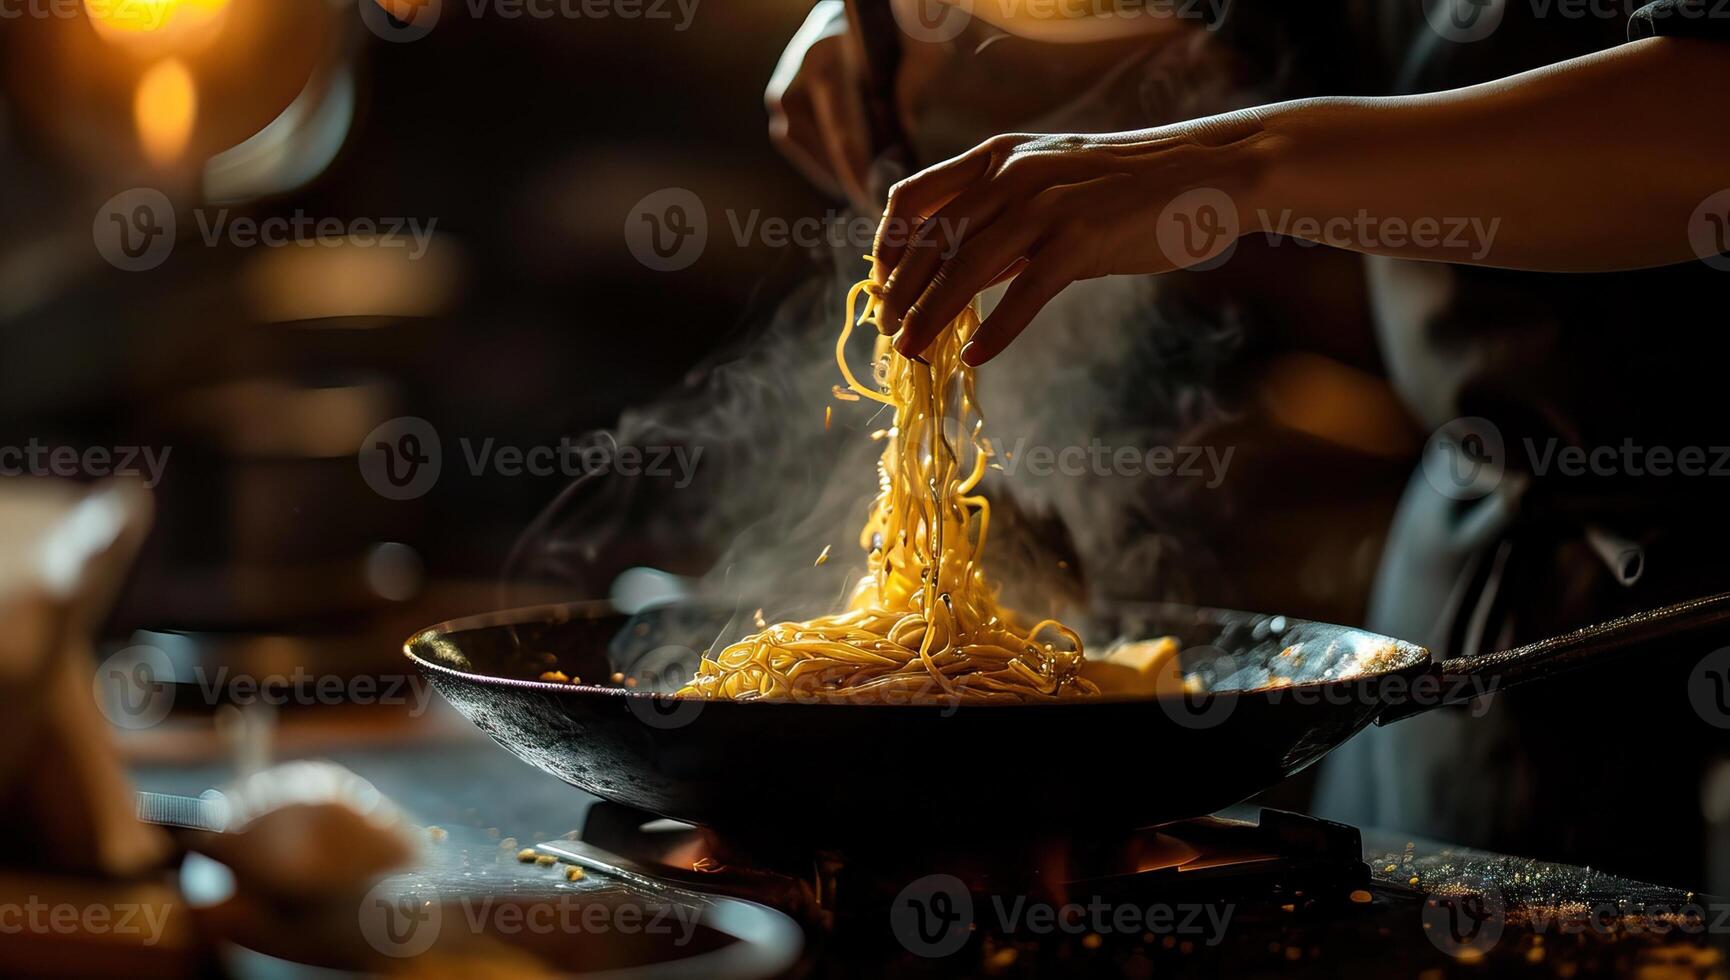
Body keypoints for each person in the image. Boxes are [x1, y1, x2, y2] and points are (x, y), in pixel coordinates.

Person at [770, 0, 1730, 888]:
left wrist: (1234, 167)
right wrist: (937, 44)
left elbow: (1707, 124)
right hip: (1475, 545)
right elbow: (1270, 45)